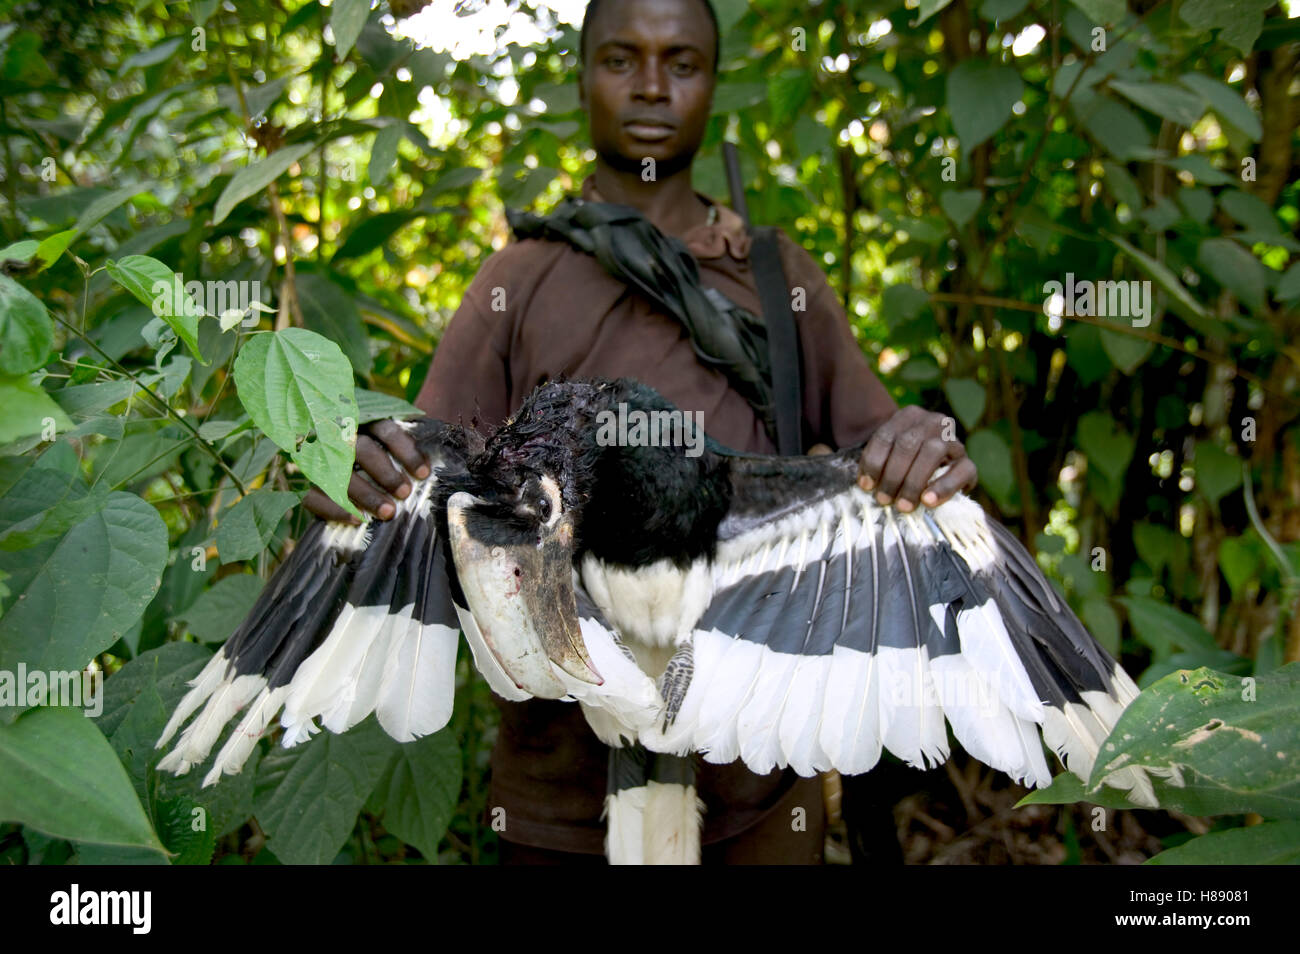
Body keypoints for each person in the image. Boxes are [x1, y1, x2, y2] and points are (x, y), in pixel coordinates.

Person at [304, 0, 977, 864]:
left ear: (711, 84)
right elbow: (433, 480)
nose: (652, 86)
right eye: (622, 59)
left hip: (759, 770)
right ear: (583, 78)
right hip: (562, 784)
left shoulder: (777, 276)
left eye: (681, 62)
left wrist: (923, 444)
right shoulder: (522, 277)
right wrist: (361, 471)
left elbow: (889, 471)